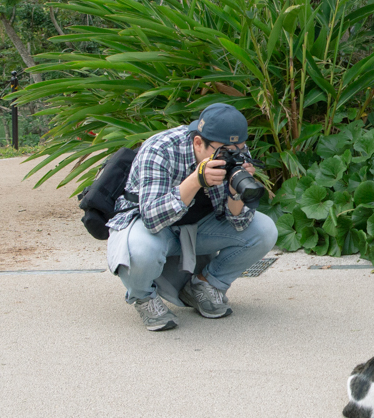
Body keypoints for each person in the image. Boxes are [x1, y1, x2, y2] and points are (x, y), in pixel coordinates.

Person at [107, 102, 277, 331]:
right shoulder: (160, 149)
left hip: (196, 226)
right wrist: (196, 180)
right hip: (151, 228)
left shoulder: (235, 150)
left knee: (264, 231)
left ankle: (204, 286)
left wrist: (235, 193)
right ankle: (143, 297)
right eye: (225, 151)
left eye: (239, 148)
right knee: (141, 252)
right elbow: (151, 218)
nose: (233, 154)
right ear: (198, 142)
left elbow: (240, 223)